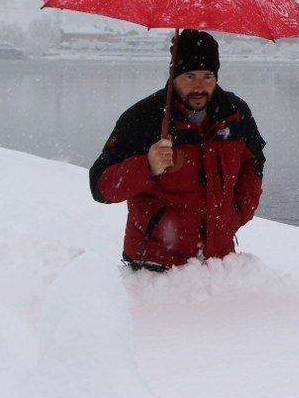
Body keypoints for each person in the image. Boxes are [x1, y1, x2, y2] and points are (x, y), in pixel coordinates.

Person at [89, 30, 265, 271]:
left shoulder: (234, 114)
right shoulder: (143, 118)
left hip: (218, 263)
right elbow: (101, 187)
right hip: (155, 268)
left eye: (207, 76)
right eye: (190, 76)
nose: (199, 87)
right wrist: (146, 166)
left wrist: (238, 213)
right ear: (174, 75)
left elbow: (253, 162)